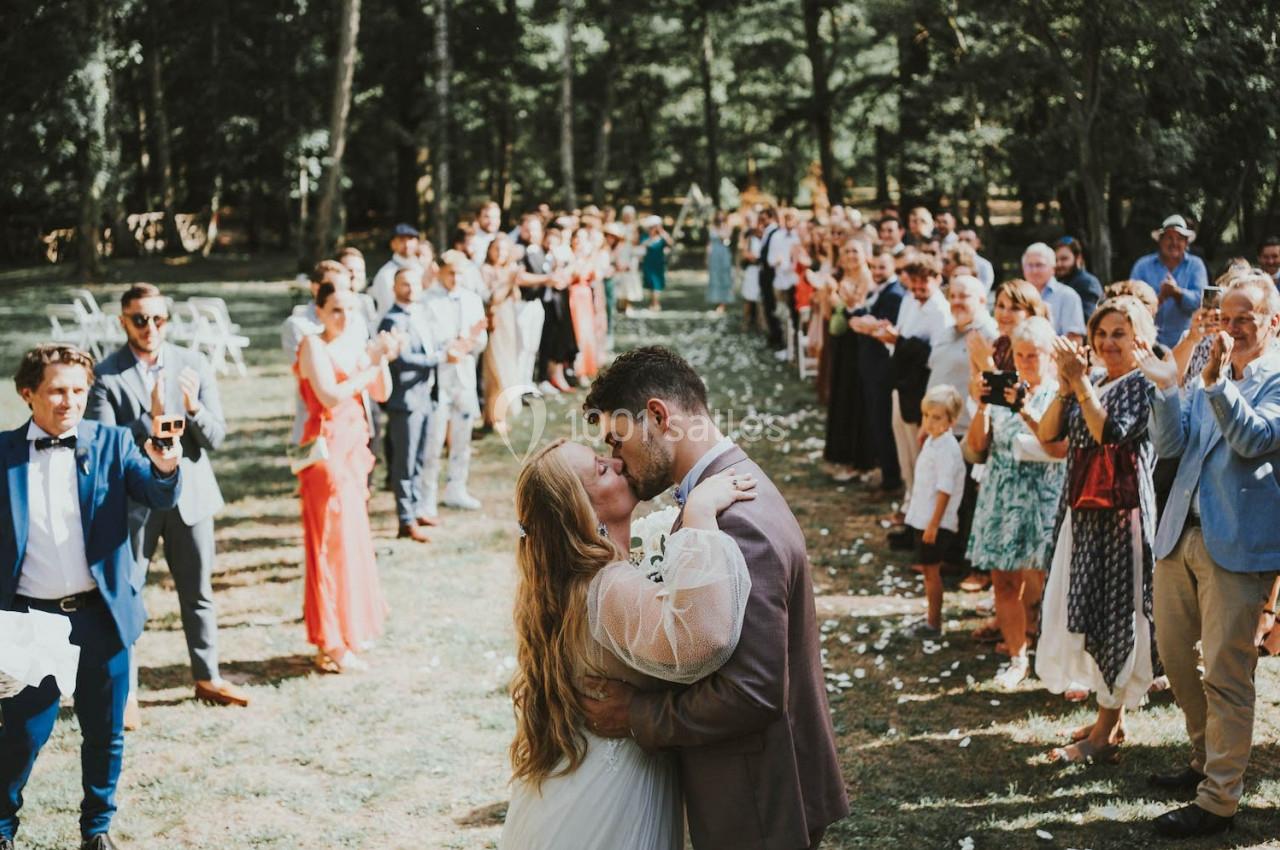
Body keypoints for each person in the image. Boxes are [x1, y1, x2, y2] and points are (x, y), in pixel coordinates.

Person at [577, 347, 849, 849]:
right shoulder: (722, 495)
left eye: (618, 440)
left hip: (759, 795)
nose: (616, 459)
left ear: (658, 416)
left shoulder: (737, 521)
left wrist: (635, 714)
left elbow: (753, 692)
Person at [501, 438, 755, 850]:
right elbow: (698, 643)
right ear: (583, 513)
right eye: (601, 470)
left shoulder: (568, 584)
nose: (617, 463)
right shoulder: (608, 587)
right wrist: (699, 518)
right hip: (612, 799)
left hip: (573, 786)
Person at [1, 343, 181, 850]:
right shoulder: (3, 453)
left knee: (104, 734)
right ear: (27, 393)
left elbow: (156, 492)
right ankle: (2, 828)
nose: (69, 401)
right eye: (57, 390)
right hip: (30, 620)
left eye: (79, 390)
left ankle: (96, 829)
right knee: (21, 736)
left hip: (100, 615)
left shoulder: (114, 442)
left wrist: (165, 465)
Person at [1137, 272, 1280, 838]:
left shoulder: (1274, 380)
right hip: (1180, 536)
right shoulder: (1203, 369)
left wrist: (1217, 384)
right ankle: (1203, 758)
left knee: (1226, 671)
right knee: (1174, 659)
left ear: (1274, 323)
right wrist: (1168, 390)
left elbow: (1251, 440)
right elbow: (1172, 447)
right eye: (1229, 315)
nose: (1235, 326)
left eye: (1248, 316)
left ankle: (1219, 798)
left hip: (1238, 547)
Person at [87, 283, 248, 726]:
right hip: (134, 505)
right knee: (128, 595)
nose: (150, 328)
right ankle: (127, 694)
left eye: (158, 319)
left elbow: (215, 436)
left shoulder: (192, 363)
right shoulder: (105, 375)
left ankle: (208, 676)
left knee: (198, 593)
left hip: (191, 498)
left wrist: (191, 408)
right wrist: (153, 419)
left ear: (168, 320)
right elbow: (104, 445)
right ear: (123, 322)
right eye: (139, 319)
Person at [1035, 296, 1159, 763]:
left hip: (1122, 516)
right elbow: (1050, 433)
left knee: (1117, 615)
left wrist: (1081, 384)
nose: (1108, 343)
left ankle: (1104, 735)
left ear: (1140, 336)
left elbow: (1109, 432)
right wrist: (1067, 386)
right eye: (1101, 333)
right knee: (1088, 607)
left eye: (1119, 333)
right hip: (1084, 513)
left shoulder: (1144, 384)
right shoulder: (1097, 380)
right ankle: (1112, 720)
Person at [294, 284, 397, 673]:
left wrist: (380, 359)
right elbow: (329, 395)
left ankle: (348, 631)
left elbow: (381, 392)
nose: (344, 317)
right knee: (327, 545)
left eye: (350, 310)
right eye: (336, 309)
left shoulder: (354, 342)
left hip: (353, 451)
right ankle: (330, 642)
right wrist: (368, 366)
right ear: (319, 311)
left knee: (351, 543)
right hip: (326, 452)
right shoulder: (312, 346)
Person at [965, 317, 1067, 687]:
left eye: (1033, 355)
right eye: (1020, 355)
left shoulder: (1059, 393)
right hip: (1001, 496)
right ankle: (1016, 656)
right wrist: (981, 407)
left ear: (1050, 356)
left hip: (1044, 499)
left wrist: (1023, 409)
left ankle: (1051, 651)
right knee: (1004, 583)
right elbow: (977, 447)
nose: (1025, 362)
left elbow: (1057, 447)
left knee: (1048, 583)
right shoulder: (1002, 389)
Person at [420, 251, 489, 514]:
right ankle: (427, 495)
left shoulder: (471, 299)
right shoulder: (427, 301)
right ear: (439, 271)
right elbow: (426, 337)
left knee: (463, 434)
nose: (456, 278)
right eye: (451, 273)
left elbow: (481, 339)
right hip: (438, 376)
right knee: (434, 437)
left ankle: (456, 487)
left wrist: (469, 342)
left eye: (460, 273)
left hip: (465, 374)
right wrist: (448, 345)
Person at [378, 267, 439, 543]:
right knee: (404, 461)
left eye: (414, 284)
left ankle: (415, 509)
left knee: (418, 458)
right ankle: (405, 519)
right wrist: (438, 359)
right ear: (394, 288)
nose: (411, 289)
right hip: (405, 399)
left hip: (425, 395)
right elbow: (400, 359)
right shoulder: (391, 320)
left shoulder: (421, 313)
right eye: (405, 284)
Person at [901, 384, 967, 638]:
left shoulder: (948, 449)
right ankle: (931, 614)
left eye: (936, 417)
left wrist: (933, 524)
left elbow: (945, 490)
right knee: (928, 571)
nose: (929, 422)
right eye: (926, 416)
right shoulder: (933, 441)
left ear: (951, 421)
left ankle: (934, 623)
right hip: (923, 516)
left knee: (932, 572)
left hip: (935, 521)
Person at [848, 250, 906, 492]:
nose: (878, 272)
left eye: (883, 267)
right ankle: (884, 471)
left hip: (882, 369)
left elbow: (881, 330)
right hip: (871, 366)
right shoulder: (879, 290)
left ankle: (891, 479)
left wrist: (861, 317)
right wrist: (862, 320)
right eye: (875, 267)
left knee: (883, 424)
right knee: (876, 421)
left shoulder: (893, 295)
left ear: (893, 267)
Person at [822, 239, 872, 480]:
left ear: (864, 254)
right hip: (841, 343)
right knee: (840, 395)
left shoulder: (868, 278)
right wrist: (828, 295)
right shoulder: (837, 278)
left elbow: (862, 308)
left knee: (854, 397)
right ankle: (839, 456)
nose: (851, 255)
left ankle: (857, 459)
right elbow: (826, 314)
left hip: (859, 343)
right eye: (847, 251)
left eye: (856, 250)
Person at [1129, 215, 1208, 348]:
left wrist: (1177, 293)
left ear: (1186, 243)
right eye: (1169, 238)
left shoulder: (1196, 265)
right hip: (1148, 344)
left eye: (1180, 239)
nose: (1174, 243)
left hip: (1187, 344)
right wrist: (1159, 298)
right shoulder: (1142, 266)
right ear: (1160, 241)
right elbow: (1131, 304)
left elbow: (1201, 303)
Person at [481, 235, 522, 431]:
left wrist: (513, 282)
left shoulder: (507, 271)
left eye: (505, 250)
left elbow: (516, 297)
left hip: (508, 323)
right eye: (497, 249)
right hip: (494, 324)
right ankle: (495, 417)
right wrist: (509, 279)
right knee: (496, 371)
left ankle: (495, 415)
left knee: (507, 368)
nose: (501, 253)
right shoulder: (486, 270)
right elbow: (492, 299)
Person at [1022, 242, 1086, 341]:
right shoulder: (1018, 296)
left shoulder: (1068, 296)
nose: (1034, 270)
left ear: (1053, 269)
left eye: (1039, 265)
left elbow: (1074, 341)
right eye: (1029, 265)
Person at [370, 224, 423, 318]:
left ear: (417, 243)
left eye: (410, 239)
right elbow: (388, 307)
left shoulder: (422, 269)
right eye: (402, 240)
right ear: (393, 244)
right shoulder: (385, 274)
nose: (407, 244)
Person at [1054, 236, 1104, 318]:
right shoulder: (1060, 283)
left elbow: (1089, 320)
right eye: (1056, 260)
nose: (1058, 264)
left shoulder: (1087, 283)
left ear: (1078, 258)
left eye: (1064, 259)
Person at [639, 215, 672, 312]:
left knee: (657, 284)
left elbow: (670, 243)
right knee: (650, 284)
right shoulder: (645, 237)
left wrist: (662, 232)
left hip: (658, 263)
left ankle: (656, 303)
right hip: (648, 263)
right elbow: (641, 246)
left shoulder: (662, 238)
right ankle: (652, 303)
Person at [739, 212, 763, 331]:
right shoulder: (750, 237)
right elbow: (744, 253)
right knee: (748, 297)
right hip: (752, 269)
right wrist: (752, 257)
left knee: (760, 299)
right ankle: (746, 322)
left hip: (761, 269)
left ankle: (760, 323)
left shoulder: (765, 237)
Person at [706, 211, 734, 313]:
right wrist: (707, 256)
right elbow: (709, 242)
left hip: (723, 253)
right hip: (714, 254)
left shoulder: (727, 227)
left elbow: (726, 239)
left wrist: (722, 228)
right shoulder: (711, 227)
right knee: (715, 276)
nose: (720, 219)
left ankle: (723, 303)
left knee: (724, 277)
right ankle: (717, 300)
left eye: (722, 218)